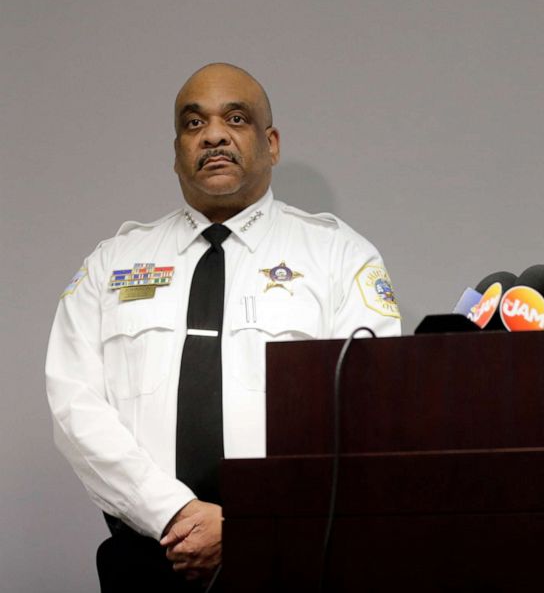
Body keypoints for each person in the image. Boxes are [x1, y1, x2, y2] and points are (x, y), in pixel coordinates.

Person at [46, 63, 401, 591]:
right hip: (151, 557)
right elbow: (75, 406)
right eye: (193, 124)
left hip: (294, 555)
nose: (213, 134)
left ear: (271, 143)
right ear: (175, 152)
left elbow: (367, 413)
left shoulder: (339, 257)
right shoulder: (112, 264)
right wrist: (174, 516)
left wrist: (246, 525)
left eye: (235, 118)